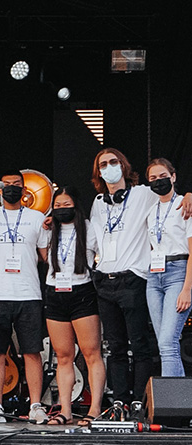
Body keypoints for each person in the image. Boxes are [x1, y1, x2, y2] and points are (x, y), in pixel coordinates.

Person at [89, 148, 192, 414]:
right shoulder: (99, 203)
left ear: (123, 166)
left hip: (152, 274)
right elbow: (91, 240)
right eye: (103, 164)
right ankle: (125, 401)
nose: (109, 167)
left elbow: (173, 195)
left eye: (113, 162)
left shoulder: (144, 194)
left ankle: (166, 406)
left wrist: (190, 194)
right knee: (126, 345)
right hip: (127, 278)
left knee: (157, 342)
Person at [0, 169, 49, 424]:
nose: (12, 188)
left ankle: (36, 405)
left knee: (32, 351)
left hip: (29, 293)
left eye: (17, 184)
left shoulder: (37, 218)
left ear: (25, 190)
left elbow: (47, 256)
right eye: (7, 184)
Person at [39, 186, 105, 426]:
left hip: (82, 292)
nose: (62, 210)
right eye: (57, 206)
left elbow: (104, 255)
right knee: (63, 356)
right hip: (55, 292)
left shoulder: (89, 228)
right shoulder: (48, 230)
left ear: (76, 206)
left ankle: (94, 408)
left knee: (90, 353)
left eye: (67, 205)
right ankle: (65, 409)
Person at [145, 158, 192, 378]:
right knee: (164, 343)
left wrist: (187, 289)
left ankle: (174, 409)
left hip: (178, 270)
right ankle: (177, 406)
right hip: (154, 276)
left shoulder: (185, 203)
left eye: (163, 176)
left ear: (173, 176)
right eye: (153, 178)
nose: (158, 181)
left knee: (168, 341)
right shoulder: (150, 208)